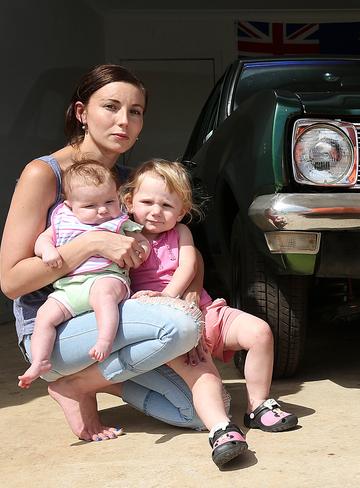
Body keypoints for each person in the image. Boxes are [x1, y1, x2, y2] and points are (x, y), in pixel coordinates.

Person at [0, 65, 227, 446]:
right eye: (111, 106)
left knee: (201, 409)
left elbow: (180, 243)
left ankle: (85, 384)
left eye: (135, 111)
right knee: (179, 327)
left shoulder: (132, 181)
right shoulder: (44, 174)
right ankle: (77, 379)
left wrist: (193, 289)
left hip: (120, 319)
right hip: (56, 325)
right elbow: (11, 281)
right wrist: (92, 244)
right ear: (81, 113)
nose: (124, 120)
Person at [121, 159, 298, 464]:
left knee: (260, 332)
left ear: (182, 210)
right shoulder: (124, 236)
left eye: (166, 204)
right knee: (203, 371)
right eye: (146, 201)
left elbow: (188, 265)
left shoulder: (180, 233)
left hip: (201, 309)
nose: (155, 211)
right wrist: (170, 310)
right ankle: (220, 430)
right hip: (168, 325)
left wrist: (171, 297)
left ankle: (258, 405)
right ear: (129, 202)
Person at [18, 161, 149, 388]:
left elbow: (140, 240)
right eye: (90, 205)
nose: (102, 210)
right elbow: (43, 240)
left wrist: (142, 250)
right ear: (70, 205)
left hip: (108, 277)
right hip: (69, 288)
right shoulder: (63, 221)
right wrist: (48, 251)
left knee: (103, 296)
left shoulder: (119, 222)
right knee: (44, 317)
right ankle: (40, 360)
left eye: (109, 201)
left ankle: (105, 341)